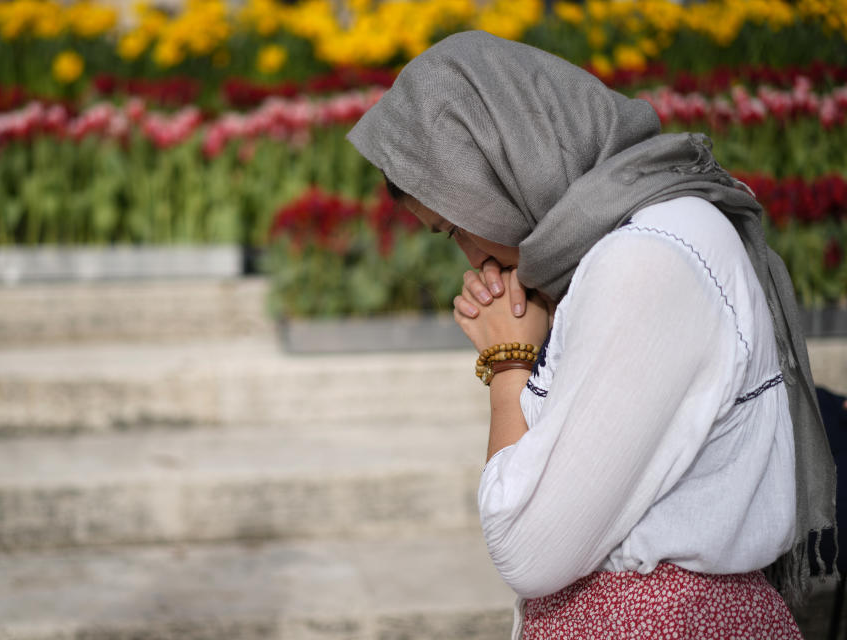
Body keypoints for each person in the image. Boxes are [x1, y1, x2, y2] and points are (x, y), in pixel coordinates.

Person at [346, 31, 837, 638]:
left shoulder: (646, 259)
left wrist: (508, 364)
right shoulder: (633, 242)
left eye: (456, 229)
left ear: (503, 169)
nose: (474, 260)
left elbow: (528, 546)